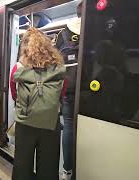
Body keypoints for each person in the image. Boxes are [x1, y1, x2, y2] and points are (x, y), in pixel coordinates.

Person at [11, 28, 65, 180]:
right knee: (48, 166)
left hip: (25, 122)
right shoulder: (58, 67)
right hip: (50, 123)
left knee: (22, 165)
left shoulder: (19, 67)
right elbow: (62, 92)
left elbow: (14, 93)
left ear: (25, 46)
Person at [55, 2, 82, 179]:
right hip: (91, 88)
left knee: (69, 128)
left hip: (68, 89)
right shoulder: (98, 28)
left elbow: (55, 63)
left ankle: (67, 170)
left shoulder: (63, 33)